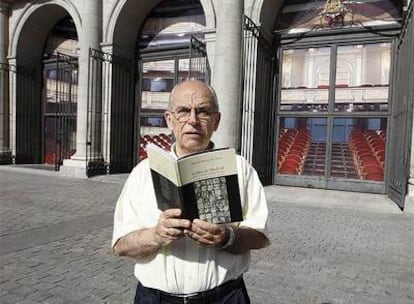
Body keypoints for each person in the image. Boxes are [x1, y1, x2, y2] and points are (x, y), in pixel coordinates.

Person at [112, 80, 270, 304]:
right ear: (169, 119)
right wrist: (157, 235)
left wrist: (227, 237)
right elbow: (121, 245)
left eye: (203, 111)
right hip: (155, 299)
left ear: (216, 121)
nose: (193, 120)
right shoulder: (142, 173)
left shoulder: (240, 168)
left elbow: (260, 237)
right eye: (184, 111)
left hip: (224, 297)